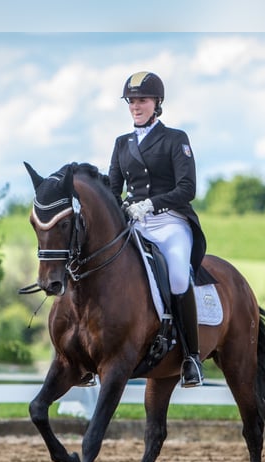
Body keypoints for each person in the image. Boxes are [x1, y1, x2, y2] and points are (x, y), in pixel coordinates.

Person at [108, 71, 207, 388]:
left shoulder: (175, 139)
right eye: (132, 101)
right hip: (135, 223)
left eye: (142, 100)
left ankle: (191, 357)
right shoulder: (122, 144)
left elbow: (187, 188)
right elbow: (112, 188)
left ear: (157, 103)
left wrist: (151, 204)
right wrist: (119, 207)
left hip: (170, 222)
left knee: (178, 275)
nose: (136, 106)